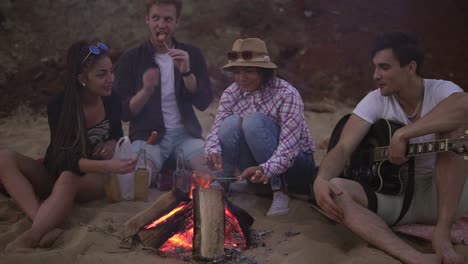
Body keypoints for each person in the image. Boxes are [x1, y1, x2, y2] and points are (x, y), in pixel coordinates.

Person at [313, 32, 468, 264]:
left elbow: (464, 105)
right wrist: (321, 179)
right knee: (335, 188)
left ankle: (442, 233)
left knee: (454, 130)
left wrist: (404, 133)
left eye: (384, 67)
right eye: (375, 67)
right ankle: (413, 256)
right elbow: (344, 147)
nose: (376, 75)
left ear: (410, 67)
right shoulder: (376, 100)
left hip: (443, 198)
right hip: (397, 197)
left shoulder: (441, 90)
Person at [0, 40, 137, 251]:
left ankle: (33, 236)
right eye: (101, 75)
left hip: (92, 178)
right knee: (4, 157)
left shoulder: (111, 99)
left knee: (69, 176)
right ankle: (43, 221)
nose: (110, 79)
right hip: (58, 170)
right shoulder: (60, 105)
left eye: (111, 72)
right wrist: (107, 165)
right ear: (82, 78)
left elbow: (117, 134)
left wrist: (110, 144)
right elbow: (63, 157)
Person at [204, 38, 316, 216]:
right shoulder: (231, 93)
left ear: (264, 72)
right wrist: (212, 149)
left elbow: (289, 149)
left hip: (295, 170)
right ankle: (222, 182)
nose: (242, 78)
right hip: (256, 172)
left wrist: (267, 169)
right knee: (229, 123)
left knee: (253, 121)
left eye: (249, 71)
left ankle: (280, 191)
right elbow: (216, 129)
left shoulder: (286, 94)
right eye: (237, 71)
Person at [113, 0, 212, 184]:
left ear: (177, 22)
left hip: (186, 135)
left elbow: (203, 102)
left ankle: (170, 174)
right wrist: (146, 91)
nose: (161, 25)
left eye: (168, 19)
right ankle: (166, 173)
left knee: (212, 176)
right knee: (135, 182)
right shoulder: (131, 58)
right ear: (147, 20)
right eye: (156, 18)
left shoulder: (191, 54)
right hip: (148, 137)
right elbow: (123, 113)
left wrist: (186, 72)